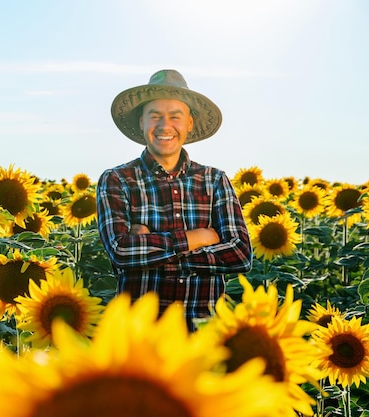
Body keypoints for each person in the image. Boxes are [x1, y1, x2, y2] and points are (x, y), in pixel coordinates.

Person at [96, 69, 252, 331]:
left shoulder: (213, 180)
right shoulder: (117, 180)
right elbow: (121, 252)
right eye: (155, 116)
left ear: (189, 123)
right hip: (141, 334)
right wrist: (199, 238)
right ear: (142, 123)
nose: (164, 126)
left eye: (175, 116)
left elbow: (240, 255)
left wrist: (151, 249)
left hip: (206, 332)